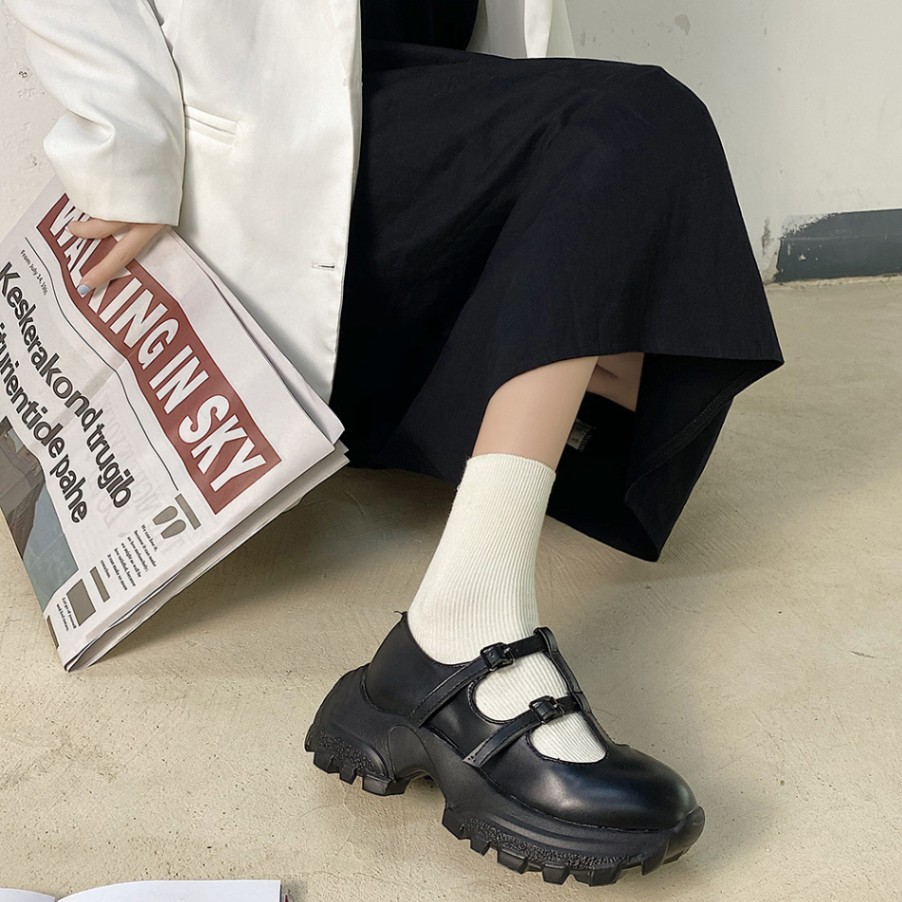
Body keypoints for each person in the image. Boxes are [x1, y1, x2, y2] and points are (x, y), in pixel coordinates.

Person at [7, 0, 784, 886]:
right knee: (637, 122)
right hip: (263, 159)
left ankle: (435, 647)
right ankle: (463, 631)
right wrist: (125, 147)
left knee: (628, 167)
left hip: (421, 151)